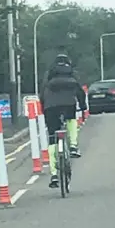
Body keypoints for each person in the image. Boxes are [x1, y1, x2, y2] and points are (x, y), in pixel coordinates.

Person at [40, 53, 87, 188]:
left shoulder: (48, 74)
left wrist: (44, 109)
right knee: (71, 120)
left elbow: (42, 93)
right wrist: (83, 107)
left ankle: (54, 174)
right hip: (68, 104)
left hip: (50, 107)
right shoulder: (72, 73)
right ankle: (73, 146)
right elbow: (80, 92)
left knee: (52, 138)